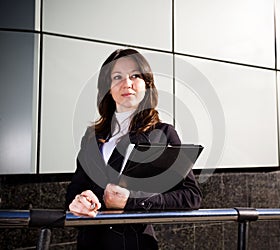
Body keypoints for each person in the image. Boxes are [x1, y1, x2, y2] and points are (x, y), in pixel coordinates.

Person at [66, 48, 202, 250]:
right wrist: (79, 201)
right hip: (90, 243)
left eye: (135, 76)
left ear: (146, 85)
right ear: (108, 88)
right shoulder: (92, 136)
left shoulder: (163, 133)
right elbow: (74, 190)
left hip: (135, 243)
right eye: (117, 77)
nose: (127, 83)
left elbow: (191, 196)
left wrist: (133, 201)